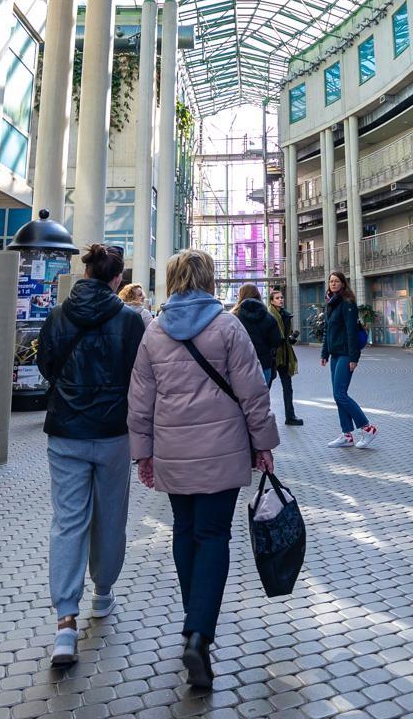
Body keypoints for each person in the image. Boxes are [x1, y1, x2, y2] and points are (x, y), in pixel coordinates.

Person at [130, 249, 281, 689]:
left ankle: (192, 619)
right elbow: (253, 392)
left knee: (184, 530)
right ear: (209, 280)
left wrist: (143, 453)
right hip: (222, 449)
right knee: (214, 534)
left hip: (174, 451)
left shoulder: (155, 331)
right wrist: (264, 444)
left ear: (174, 279)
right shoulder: (228, 327)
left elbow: (140, 400)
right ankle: (199, 634)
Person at [37, 243, 146, 667]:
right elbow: (140, 377)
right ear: (117, 279)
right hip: (115, 432)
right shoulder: (130, 320)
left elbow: (47, 365)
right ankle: (103, 591)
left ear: (85, 275)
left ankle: (65, 623)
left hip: (66, 431)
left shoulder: (58, 316)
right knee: (111, 515)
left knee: (67, 523)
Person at [319, 271, 376, 448]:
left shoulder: (347, 303)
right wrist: (324, 353)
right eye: (331, 281)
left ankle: (368, 428)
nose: (333, 284)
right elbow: (328, 331)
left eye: (336, 281)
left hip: (345, 354)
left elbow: (351, 331)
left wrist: (354, 357)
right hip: (335, 354)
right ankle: (347, 435)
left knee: (340, 394)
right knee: (338, 395)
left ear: (343, 283)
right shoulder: (331, 303)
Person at [232, 284, 282, 386]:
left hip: (240, 365)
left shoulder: (233, 317)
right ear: (258, 295)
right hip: (264, 365)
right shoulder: (269, 317)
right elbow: (276, 341)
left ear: (241, 296)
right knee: (263, 398)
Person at [268, 287, 302, 425]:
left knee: (288, 387)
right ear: (271, 301)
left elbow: (286, 339)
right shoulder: (269, 315)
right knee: (266, 387)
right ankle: (261, 416)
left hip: (285, 355)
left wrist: (291, 338)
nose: (281, 300)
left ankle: (290, 416)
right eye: (277, 298)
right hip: (272, 356)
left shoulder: (286, 315)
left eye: (281, 297)